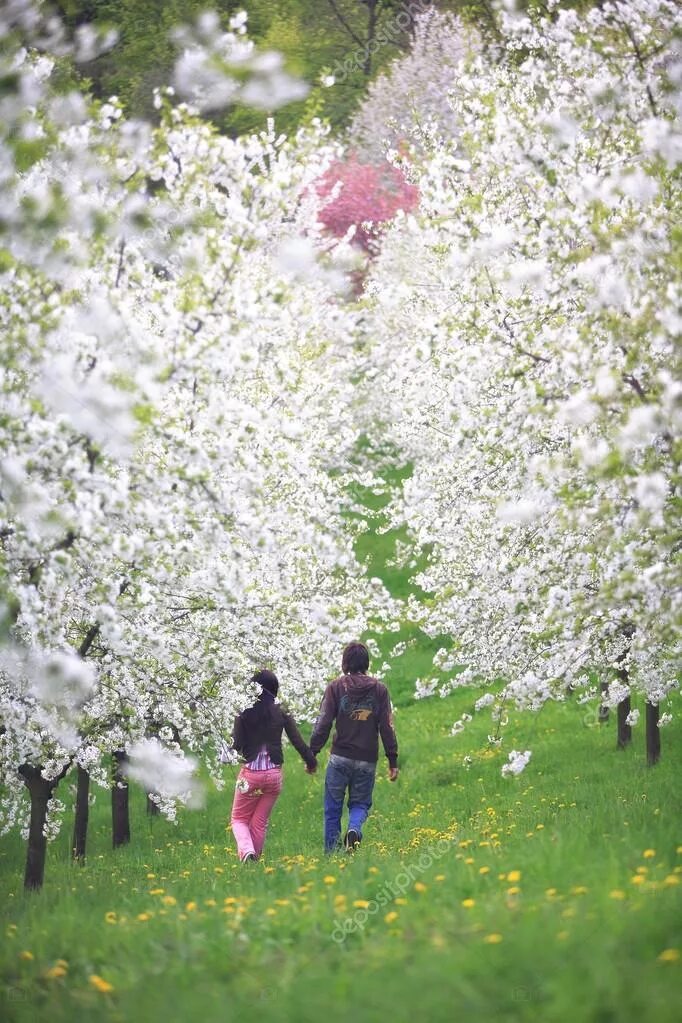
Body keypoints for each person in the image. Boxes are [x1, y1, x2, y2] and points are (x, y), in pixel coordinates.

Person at [309, 641, 398, 853]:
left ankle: (332, 854)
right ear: (366, 662)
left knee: (333, 809)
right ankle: (354, 830)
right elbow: (387, 726)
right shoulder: (380, 690)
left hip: (340, 756)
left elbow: (323, 722)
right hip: (367, 759)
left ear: (345, 662)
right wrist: (392, 759)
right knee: (360, 804)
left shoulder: (336, 687)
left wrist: (312, 752)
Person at [230, 669, 317, 862]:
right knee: (260, 822)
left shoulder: (243, 710)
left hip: (250, 775)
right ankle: (254, 860)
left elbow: (236, 744)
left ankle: (247, 852)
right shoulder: (281, 709)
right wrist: (311, 761)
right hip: (273, 776)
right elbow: (297, 740)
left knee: (238, 819)